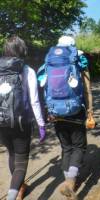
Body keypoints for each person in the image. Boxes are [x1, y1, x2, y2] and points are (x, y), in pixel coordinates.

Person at [37, 35, 95, 199]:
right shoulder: (79, 60)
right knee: (79, 146)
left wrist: (47, 112)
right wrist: (90, 111)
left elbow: (43, 88)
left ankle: (68, 181)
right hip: (75, 110)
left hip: (55, 111)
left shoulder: (48, 62)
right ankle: (70, 183)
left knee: (66, 147)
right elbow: (87, 90)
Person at [0, 36, 46, 200]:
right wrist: (41, 124)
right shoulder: (27, 70)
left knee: (11, 154)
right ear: (22, 50)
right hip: (21, 123)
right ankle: (13, 196)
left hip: (1, 122)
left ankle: (19, 187)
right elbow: (34, 101)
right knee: (20, 160)